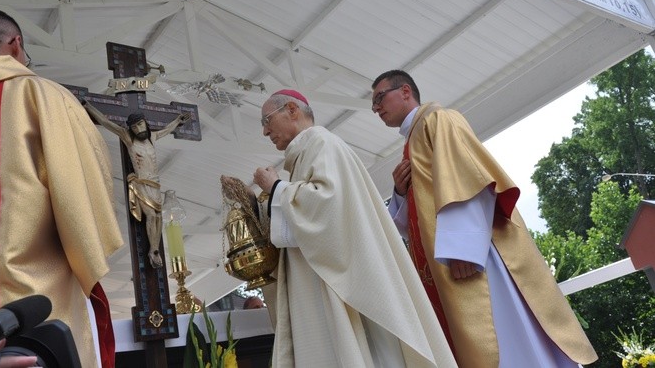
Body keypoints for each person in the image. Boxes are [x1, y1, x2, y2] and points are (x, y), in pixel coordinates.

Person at [371, 69, 598, 367]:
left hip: (475, 256)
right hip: (447, 264)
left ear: (404, 92)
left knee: (504, 334)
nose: (375, 108)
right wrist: (400, 194)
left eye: (379, 97)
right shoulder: (410, 143)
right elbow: (416, 223)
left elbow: (469, 180)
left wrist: (463, 249)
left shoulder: (438, 119)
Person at [252, 89, 457, 367]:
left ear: (291, 109)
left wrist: (276, 188)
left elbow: (327, 205)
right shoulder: (307, 153)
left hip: (339, 281)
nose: (265, 131)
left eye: (267, 120)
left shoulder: (322, 144)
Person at [0, 7, 124, 368]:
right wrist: (89, 259)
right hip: (34, 305)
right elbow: (82, 197)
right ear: (16, 45)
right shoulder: (41, 95)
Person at [82, 103, 190, 268]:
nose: (138, 129)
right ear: (131, 129)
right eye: (134, 127)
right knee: (151, 216)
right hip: (141, 183)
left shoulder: (152, 137)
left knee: (159, 217)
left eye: (140, 124)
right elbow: (105, 122)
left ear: (145, 123)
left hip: (155, 184)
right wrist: (89, 107)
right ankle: (153, 250)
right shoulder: (129, 139)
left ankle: (154, 249)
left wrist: (177, 120)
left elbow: (167, 130)